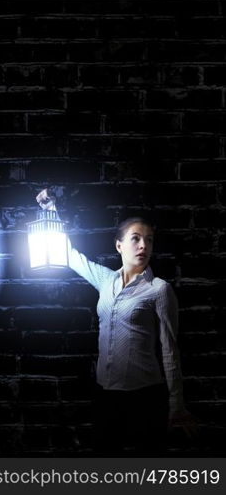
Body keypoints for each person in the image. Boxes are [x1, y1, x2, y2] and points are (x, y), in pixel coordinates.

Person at [34, 189, 197, 455]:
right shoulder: (105, 280)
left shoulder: (159, 289)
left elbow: (170, 351)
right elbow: (70, 254)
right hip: (106, 395)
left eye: (149, 240)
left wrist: (176, 404)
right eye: (136, 239)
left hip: (146, 396)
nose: (144, 246)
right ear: (119, 245)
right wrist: (49, 211)